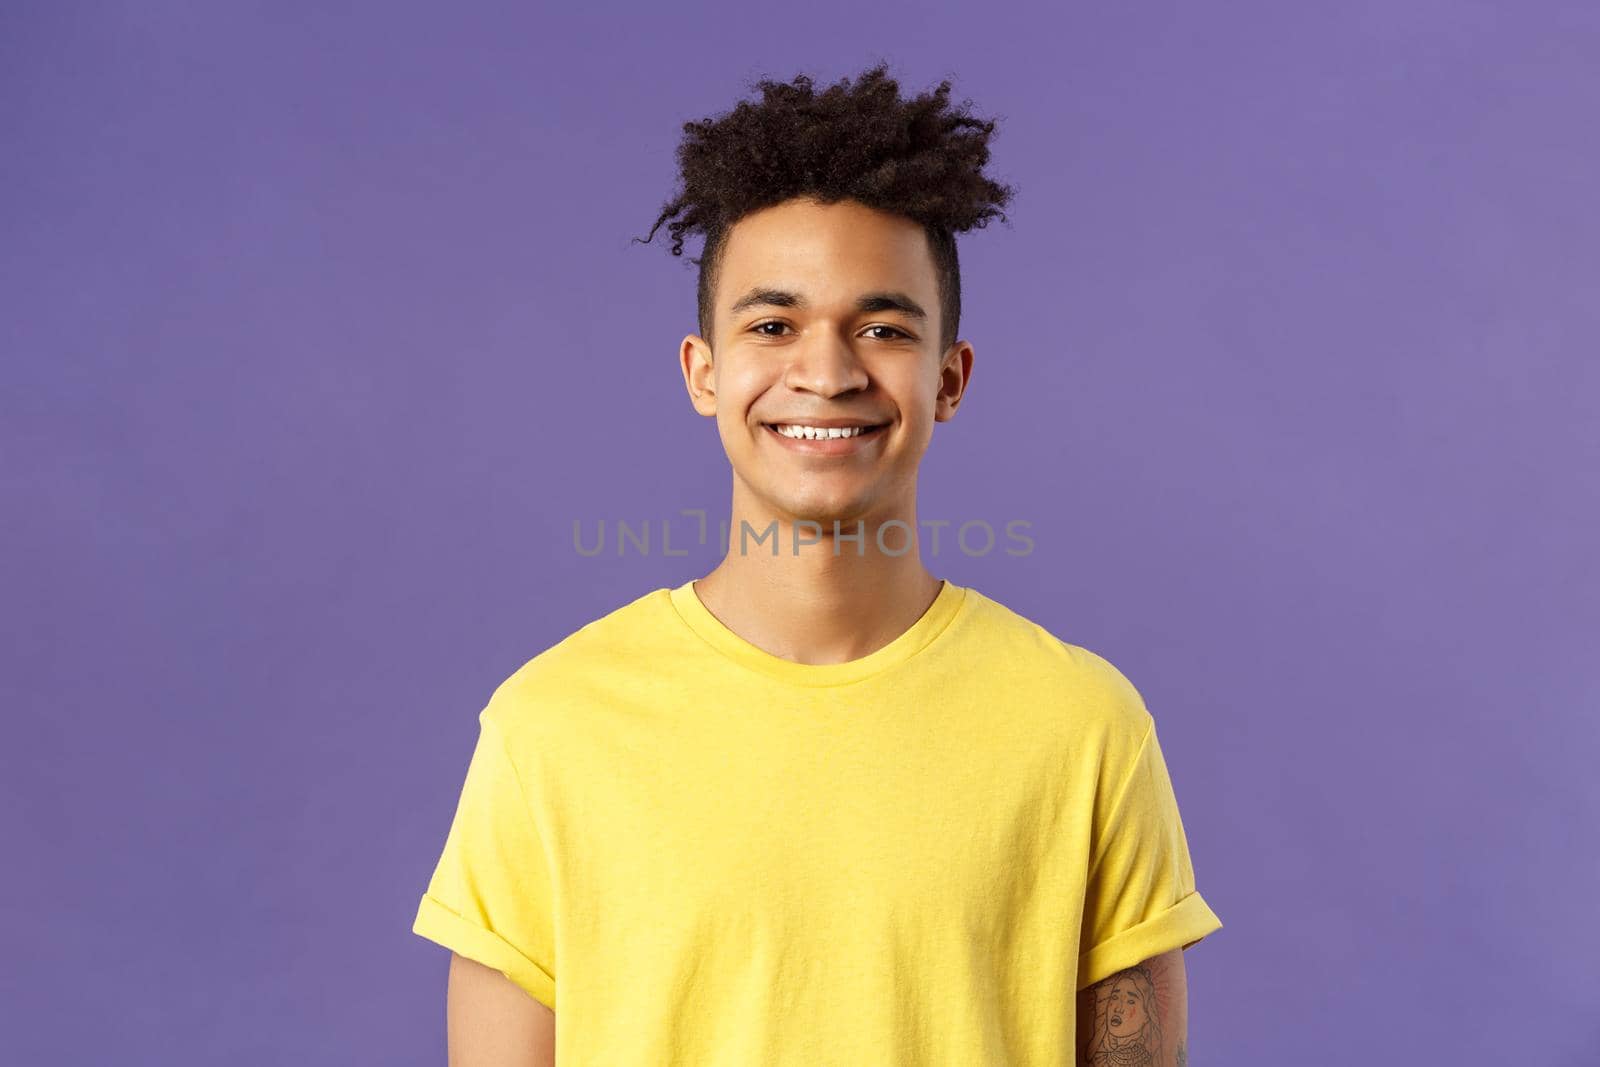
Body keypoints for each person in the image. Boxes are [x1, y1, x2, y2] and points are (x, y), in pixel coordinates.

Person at [411, 62, 1222, 1066]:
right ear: (703, 372)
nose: (828, 371)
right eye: (772, 324)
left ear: (950, 377)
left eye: (882, 328)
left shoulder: (1085, 728)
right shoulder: (550, 729)